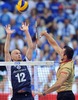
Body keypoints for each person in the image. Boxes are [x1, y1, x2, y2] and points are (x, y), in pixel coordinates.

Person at [38, 31, 75, 100]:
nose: (60, 51)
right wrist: (46, 34)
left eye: (62, 51)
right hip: (63, 94)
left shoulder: (66, 68)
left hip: (65, 95)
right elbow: (54, 44)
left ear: (65, 56)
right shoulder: (67, 59)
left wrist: (44, 93)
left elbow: (58, 84)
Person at [4, 23, 34, 100]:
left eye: (19, 53)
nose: (19, 54)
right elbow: (6, 51)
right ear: (11, 57)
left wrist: (26, 31)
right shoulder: (10, 65)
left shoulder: (26, 62)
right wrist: (8, 35)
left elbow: (30, 47)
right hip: (16, 96)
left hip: (28, 95)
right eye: (16, 53)